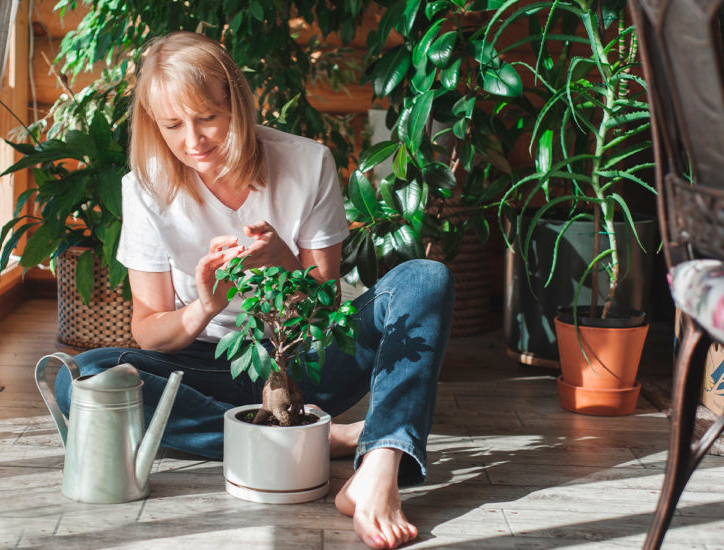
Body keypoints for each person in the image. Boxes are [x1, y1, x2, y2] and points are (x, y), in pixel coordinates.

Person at [54, 31, 454, 550]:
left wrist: (284, 262)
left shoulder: (308, 164)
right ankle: (311, 439)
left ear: (236, 105)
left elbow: (324, 306)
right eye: (172, 124)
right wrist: (204, 307)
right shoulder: (146, 186)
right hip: (208, 368)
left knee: (426, 278)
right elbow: (148, 331)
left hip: (304, 362)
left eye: (207, 118)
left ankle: (379, 463)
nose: (192, 140)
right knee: (83, 377)